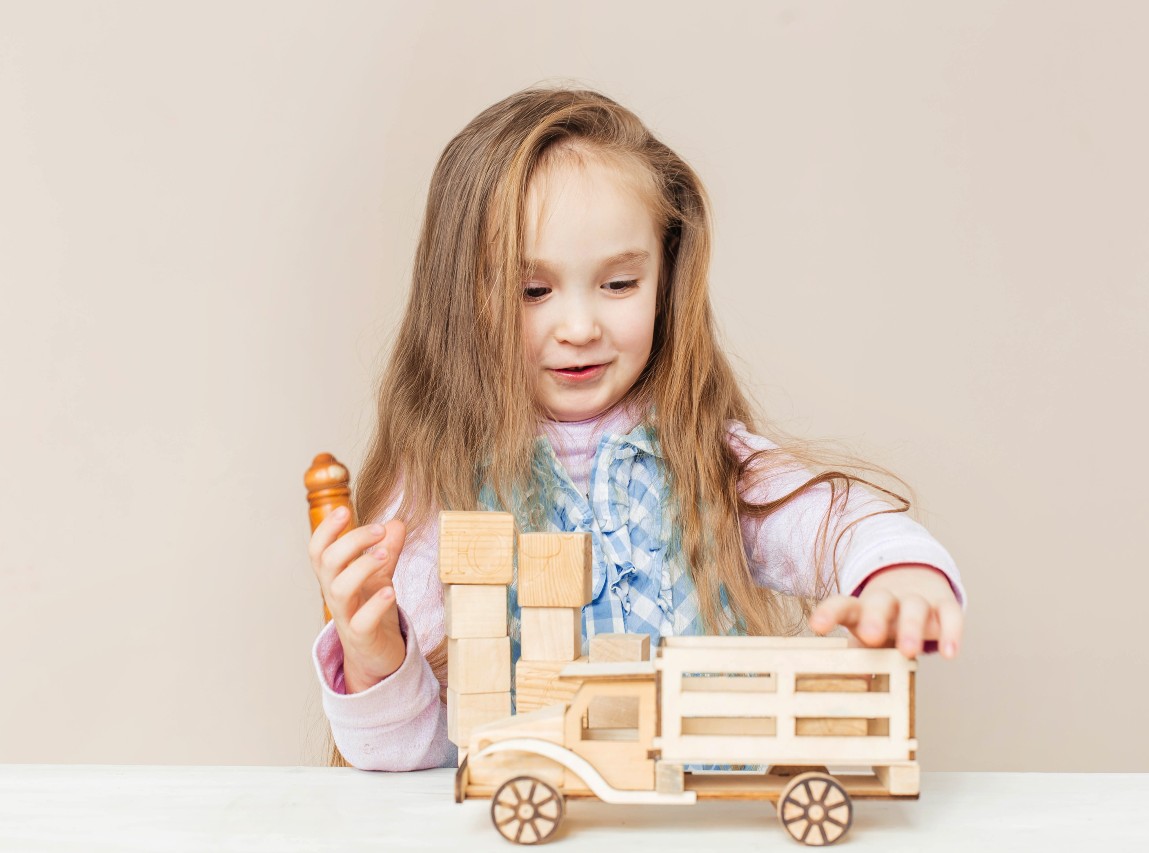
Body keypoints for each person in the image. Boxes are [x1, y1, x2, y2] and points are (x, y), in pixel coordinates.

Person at [308, 84, 968, 772]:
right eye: (533, 291)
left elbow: (843, 524)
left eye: (619, 284)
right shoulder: (436, 495)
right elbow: (410, 756)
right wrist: (374, 655)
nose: (579, 326)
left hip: (699, 817)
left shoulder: (704, 454)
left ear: (665, 279)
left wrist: (902, 575)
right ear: (462, 298)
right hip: (544, 808)